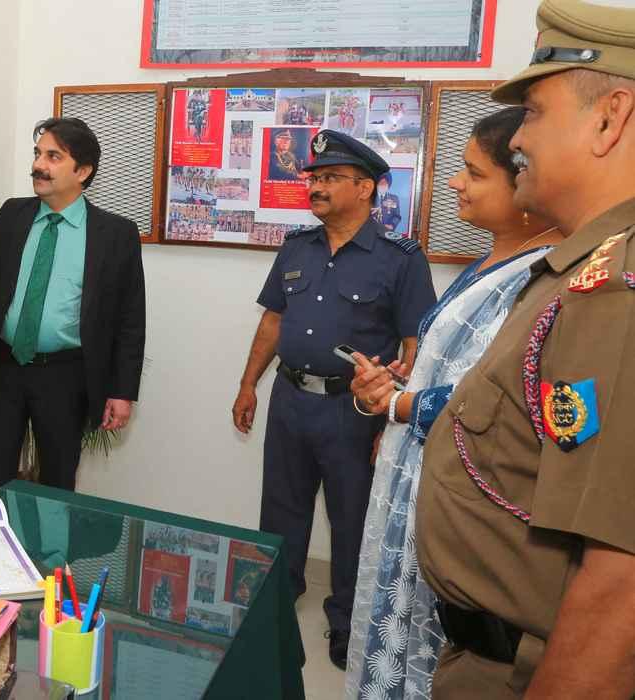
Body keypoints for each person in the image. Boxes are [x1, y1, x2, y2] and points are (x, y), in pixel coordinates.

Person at [414, 1, 635, 696]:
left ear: (610, 118)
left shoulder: (613, 291)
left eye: (534, 113)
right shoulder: (579, 271)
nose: (518, 139)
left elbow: (620, 587)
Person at [344, 108, 562, 699]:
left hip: (463, 500)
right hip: (417, 474)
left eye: (474, 172)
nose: (455, 183)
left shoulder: (546, 277)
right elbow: (457, 365)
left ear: (524, 187)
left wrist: (400, 405)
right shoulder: (492, 260)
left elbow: (501, 401)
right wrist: (397, 383)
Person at [232, 130, 436, 669]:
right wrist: (249, 383)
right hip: (290, 400)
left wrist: (396, 417)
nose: (316, 187)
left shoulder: (400, 259)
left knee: (352, 522)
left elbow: (415, 344)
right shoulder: (297, 247)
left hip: (354, 412)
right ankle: (275, 607)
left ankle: (348, 624)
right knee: (281, 511)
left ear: (365, 188)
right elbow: (273, 321)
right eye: (314, 178)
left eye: (329, 178)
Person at [0, 117, 145, 492]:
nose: (39, 165)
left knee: (58, 480)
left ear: (83, 171)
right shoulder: (12, 215)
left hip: (66, 376)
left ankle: (52, 536)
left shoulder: (115, 235)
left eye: (53, 157)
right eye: (38, 154)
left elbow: (130, 320)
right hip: (5, 367)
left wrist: (122, 391)